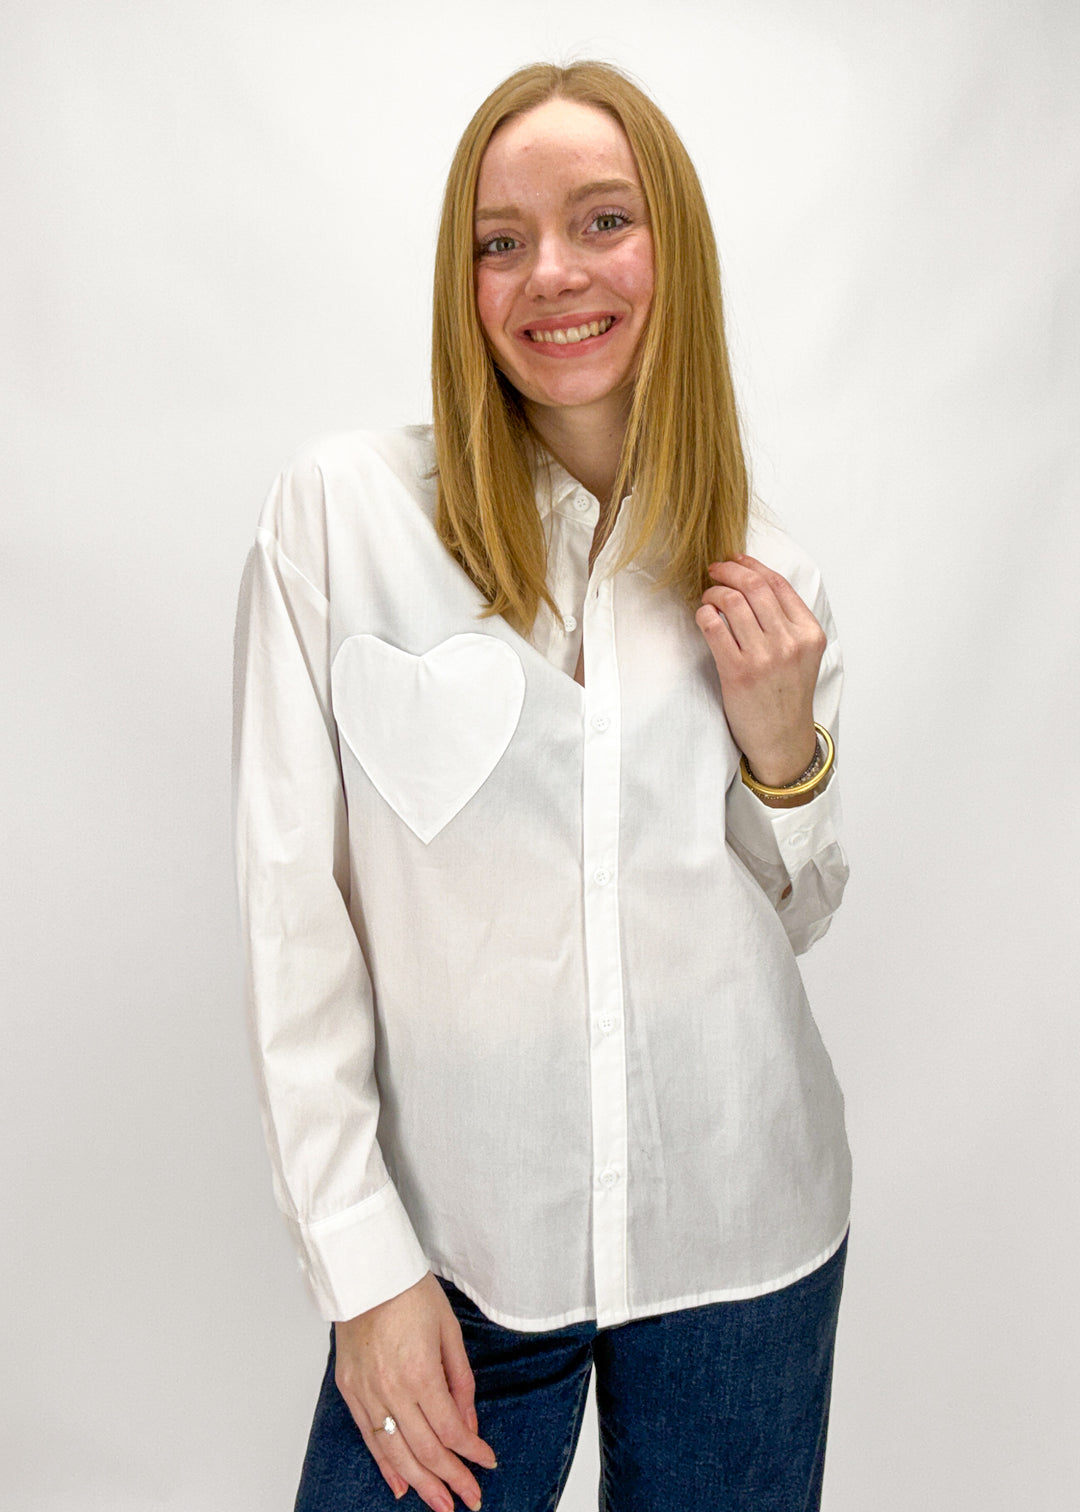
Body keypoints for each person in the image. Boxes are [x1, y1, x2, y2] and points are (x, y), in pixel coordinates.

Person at [233, 59, 851, 1512]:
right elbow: (290, 917)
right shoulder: (343, 518)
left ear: (671, 250)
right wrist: (362, 1265)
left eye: (601, 221)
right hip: (456, 1256)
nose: (550, 274)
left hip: (741, 1241)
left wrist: (783, 747)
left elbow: (797, 911)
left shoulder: (768, 573)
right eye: (499, 240)